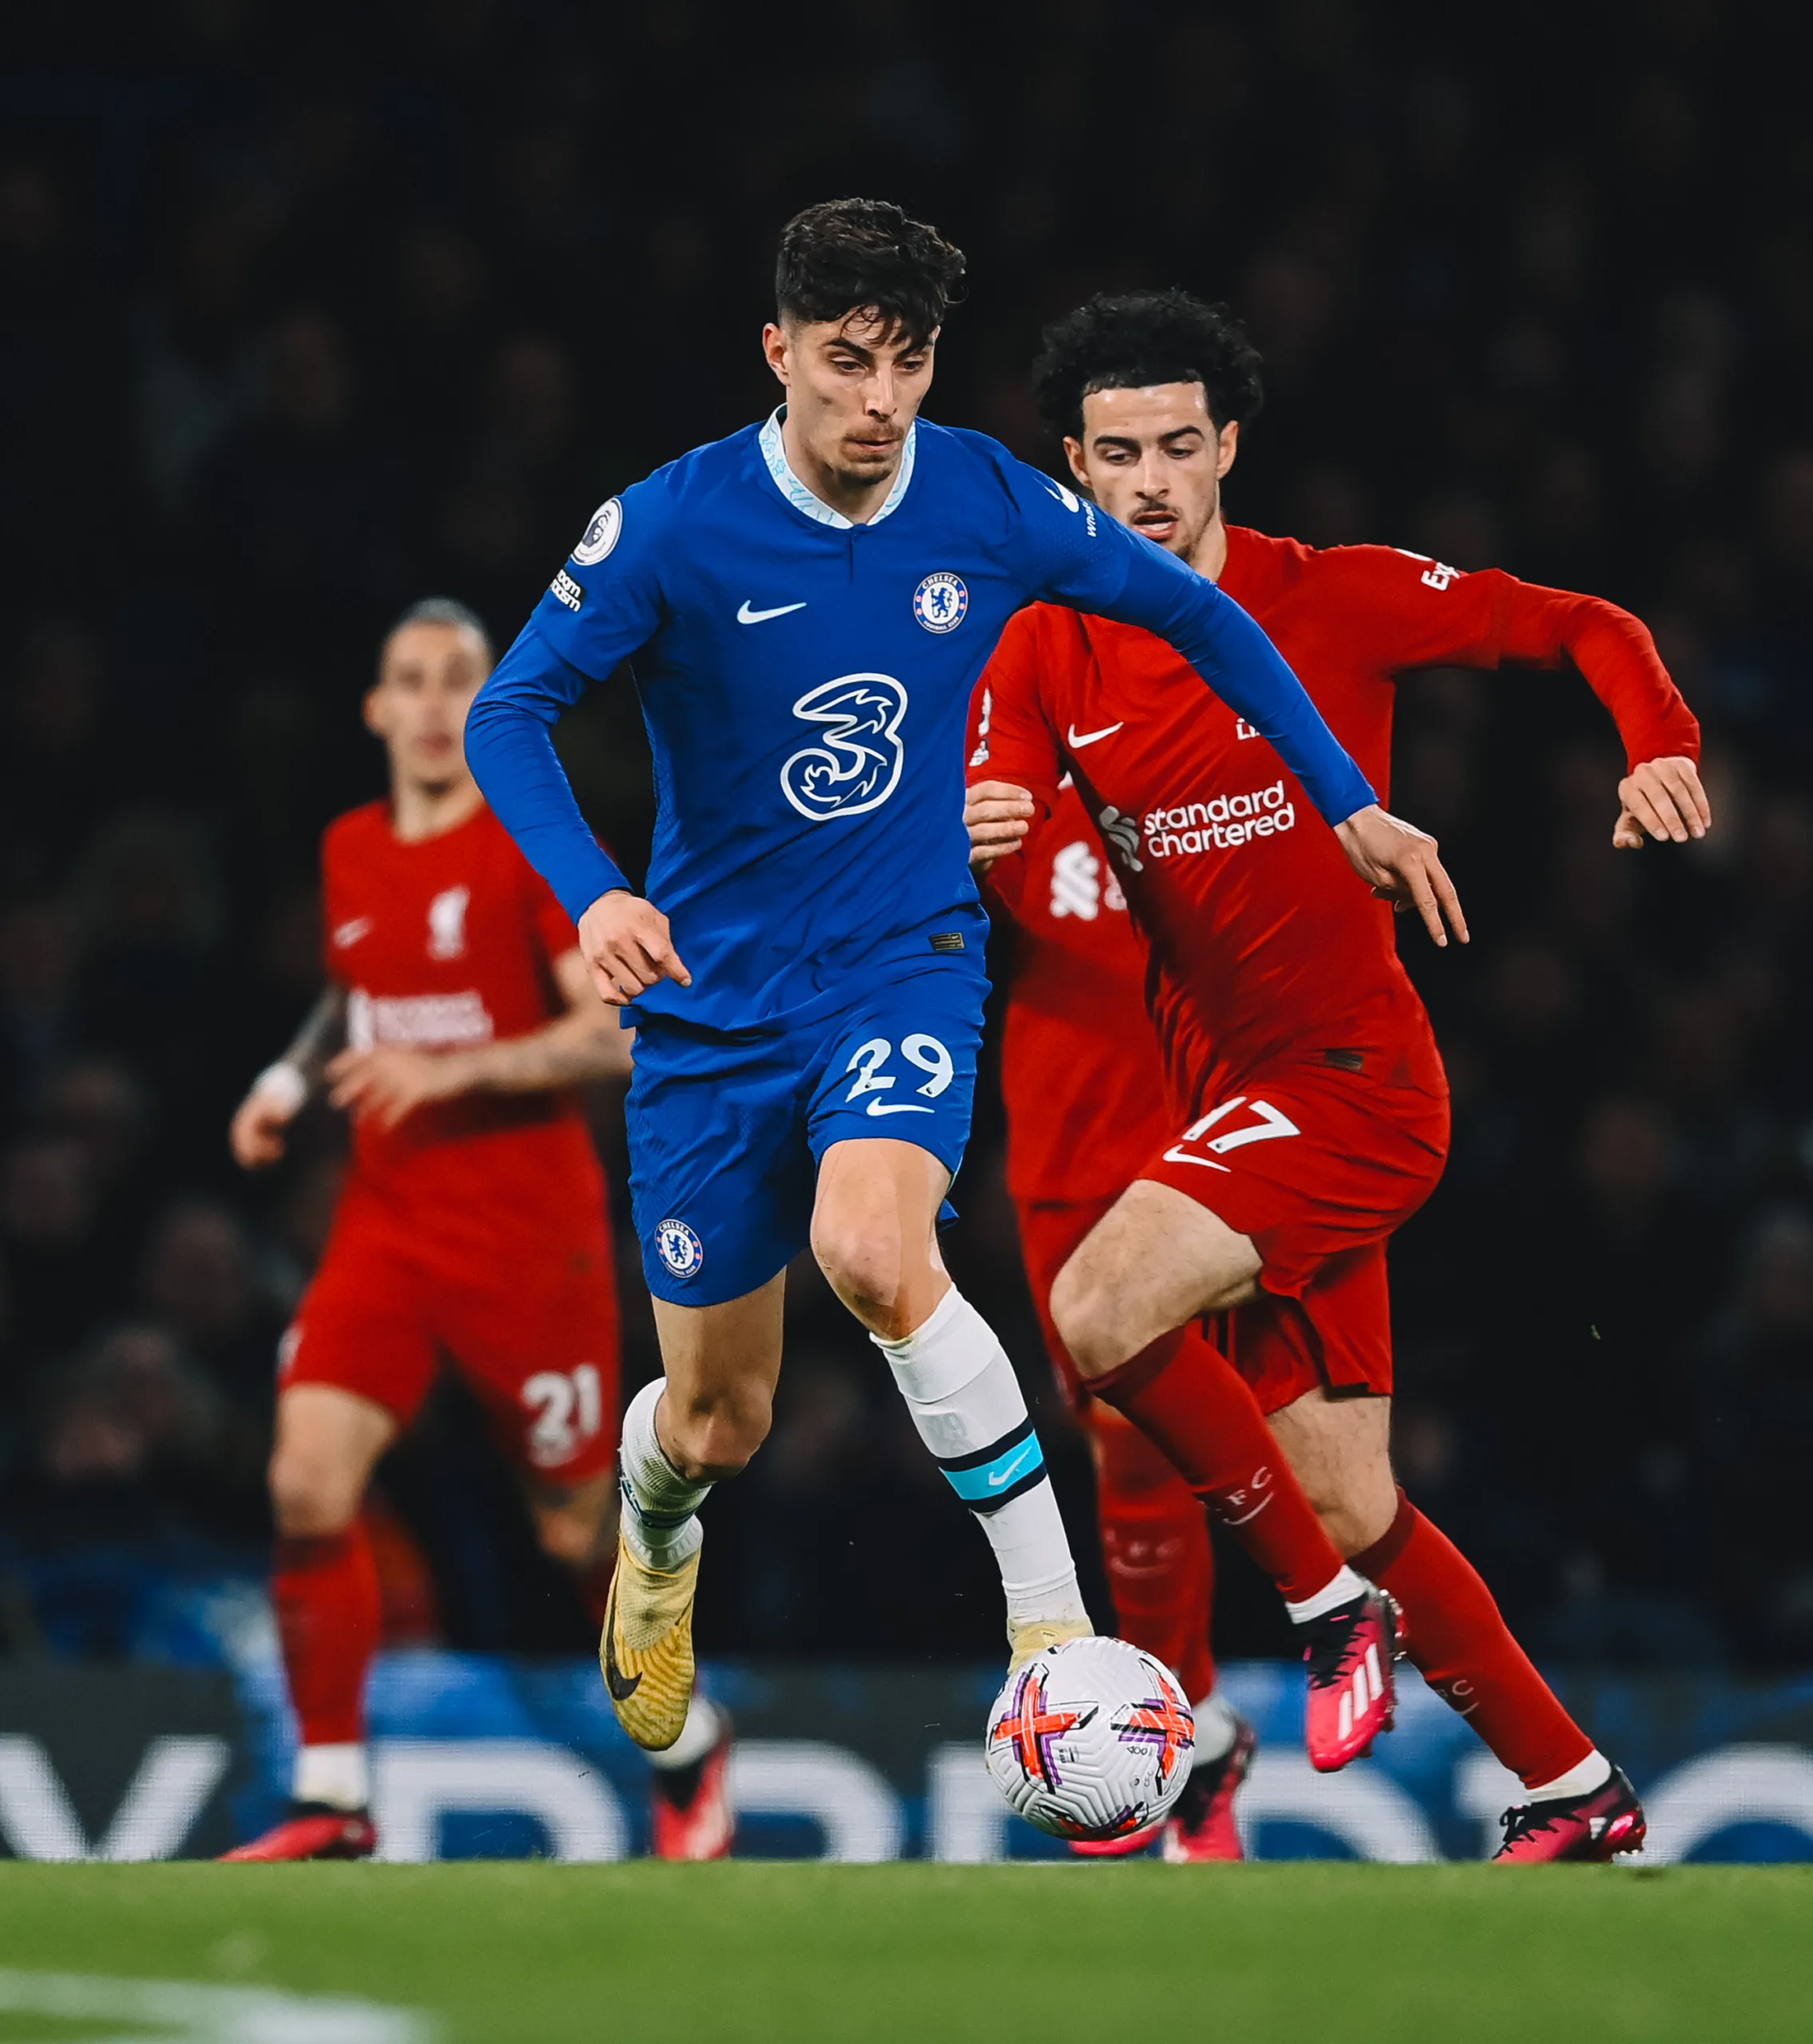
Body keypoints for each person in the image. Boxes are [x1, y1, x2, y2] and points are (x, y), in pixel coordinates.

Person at [462, 199, 1463, 1761]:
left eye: (910, 363)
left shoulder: (988, 500)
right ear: (780, 352)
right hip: (710, 1011)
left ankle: (1051, 1632)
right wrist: (592, 891)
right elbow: (508, 713)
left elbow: (1203, 614)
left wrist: (1345, 796)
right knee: (719, 1418)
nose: (879, 400)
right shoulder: (669, 525)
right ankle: (658, 1544)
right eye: (848, 361)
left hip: (900, 965)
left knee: (870, 1243)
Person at [968, 290, 1711, 1861]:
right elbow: (1000, 816)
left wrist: (1658, 739)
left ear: (1230, 446)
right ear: (1074, 472)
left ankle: (1314, 1616)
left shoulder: (1334, 598)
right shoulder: (1048, 647)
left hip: (1356, 1080)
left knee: (1099, 1315)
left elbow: (1584, 623)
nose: (1153, 481)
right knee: (1358, 1494)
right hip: (1245, 1112)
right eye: (1118, 454)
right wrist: (974, 834)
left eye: (1180, 445)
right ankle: (1575, 1785)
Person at [222, 599, 732, 1863]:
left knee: (571, 1528)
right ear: (378, 710)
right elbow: (360, 985)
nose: (438, 700)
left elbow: (614, 1031)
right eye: (414, 678)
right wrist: (289, 1080)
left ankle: (687, 1747)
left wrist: (455, 1074)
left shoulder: (527, 851)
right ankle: (333, 1800)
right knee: (305, 1481)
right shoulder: (350, 847)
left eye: (464, 678)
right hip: (386, 1227)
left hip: (524, 1237)